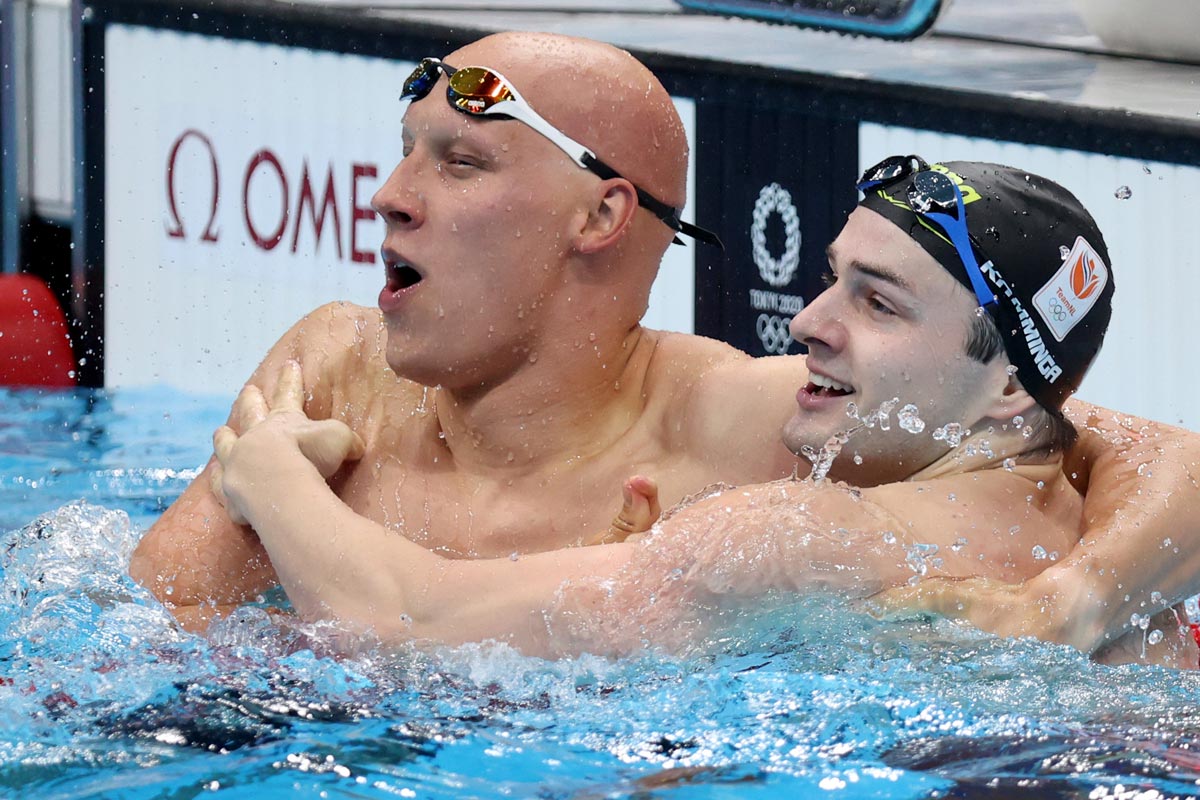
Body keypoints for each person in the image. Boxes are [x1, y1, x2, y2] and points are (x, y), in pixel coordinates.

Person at [128, 31, 1200, 660]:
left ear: (601, 216)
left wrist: (272, 484)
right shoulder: (337, 370)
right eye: (405, 154)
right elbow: (138, 646)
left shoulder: (758, 437)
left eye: (459, 163)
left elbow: (405, 625)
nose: (389, 197)